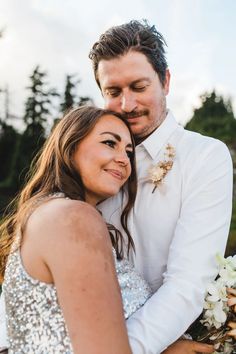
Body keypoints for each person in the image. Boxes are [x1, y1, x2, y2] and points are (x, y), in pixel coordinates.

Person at [88, 19, 233, 353]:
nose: (127, 105)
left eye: (139, 87)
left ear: (165, 81)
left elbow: (185, 285)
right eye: (113, 92)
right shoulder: (86, 160)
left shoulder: (205, 158)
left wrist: (125, 349)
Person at [0, 105, 152, 353]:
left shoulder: (43, 214)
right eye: (109, 143)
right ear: (70, 148)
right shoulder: (73, 218)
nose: (124, 159)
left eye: (129, 152)